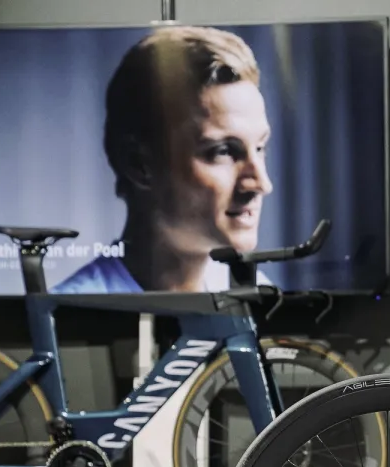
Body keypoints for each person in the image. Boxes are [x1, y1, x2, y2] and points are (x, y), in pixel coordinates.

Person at [53, 26, 274, 293]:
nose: (261, 184)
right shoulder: (68, 312)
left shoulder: (259, 294)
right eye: (223, 151)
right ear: (139, 165)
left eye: (260, 148)